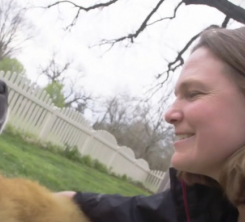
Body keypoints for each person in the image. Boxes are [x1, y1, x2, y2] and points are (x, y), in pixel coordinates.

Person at [57, 26, 245, 222]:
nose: (169, 114)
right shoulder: (210, 204)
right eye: (177, 96)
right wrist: (75, 201)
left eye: (194, 94)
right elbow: (143, 213)